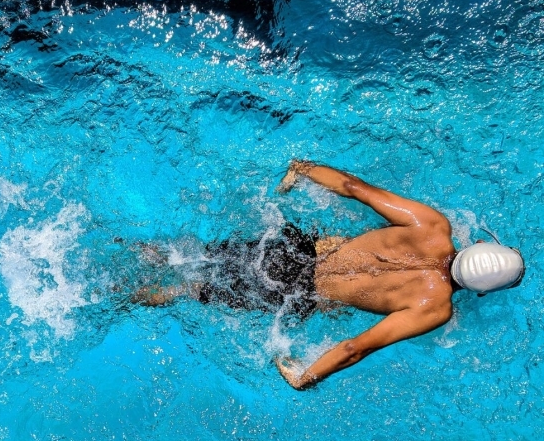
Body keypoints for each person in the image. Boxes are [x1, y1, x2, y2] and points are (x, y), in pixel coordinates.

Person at [133, 161, 525, 389]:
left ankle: (137, 250)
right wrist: (306, 377)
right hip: (296, 293)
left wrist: (303, 169)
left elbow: (355, 188)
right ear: (482, 292)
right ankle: (122, 295)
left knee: (190, 256)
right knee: (189, 290)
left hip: (293, 248)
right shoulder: (434, 308)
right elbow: (357, 347)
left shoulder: (432, 226)